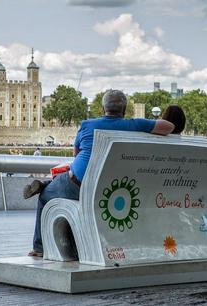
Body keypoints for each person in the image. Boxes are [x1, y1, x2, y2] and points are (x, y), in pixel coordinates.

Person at [27, 89, 175, 257]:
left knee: (46, 194)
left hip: (78, 186)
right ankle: (47, 184)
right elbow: (169, 126)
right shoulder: (133, 125)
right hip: (112, 190)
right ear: (124, 111)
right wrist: (142, 124)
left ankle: (39, 247)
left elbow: (76, 155)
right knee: (62, 180)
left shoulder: (87, 125)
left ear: (103, 108)